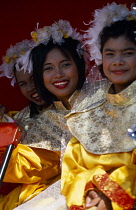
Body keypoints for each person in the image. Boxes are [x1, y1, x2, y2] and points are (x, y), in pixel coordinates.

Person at [0, 20, 88, 210]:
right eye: (48, 68)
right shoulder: (49, 119)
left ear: (79, 64)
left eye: (65, 64)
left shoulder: (104, 98)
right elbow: (29, 163)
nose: (57, 74)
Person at [61, 3, 136, 210]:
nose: (117, 62)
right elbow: (73, 168)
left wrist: (110, 194)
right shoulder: (88, 110)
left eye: (128, 53)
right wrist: (90, 190)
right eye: (110, 54)